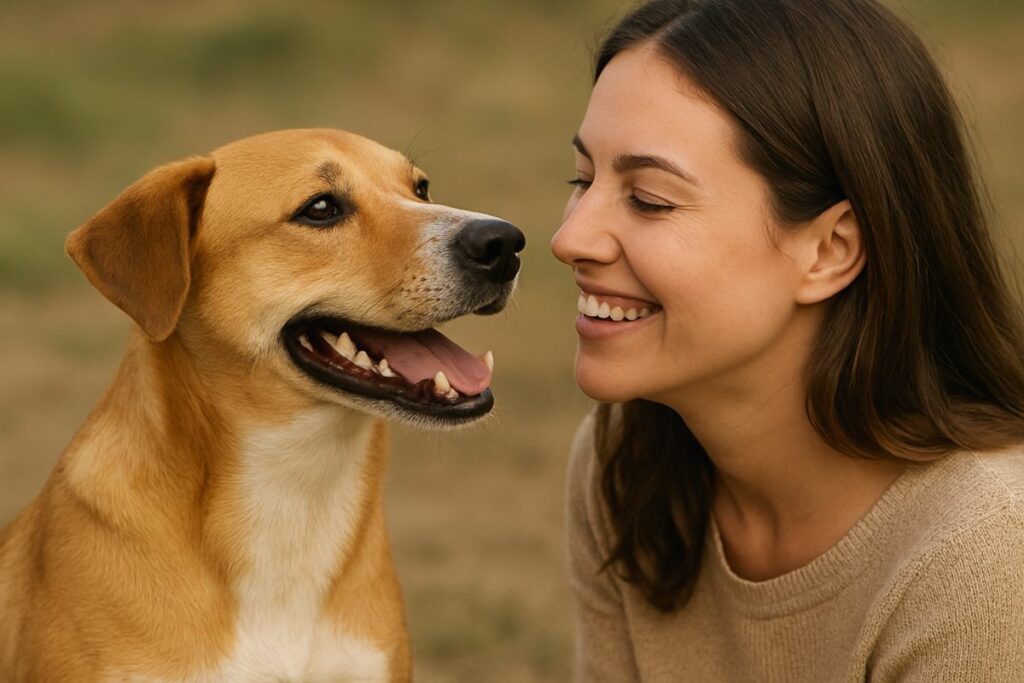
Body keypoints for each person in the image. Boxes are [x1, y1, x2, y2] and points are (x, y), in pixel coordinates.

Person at [550, 0, 1024, 680]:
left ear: (830, 249)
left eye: (650, 199)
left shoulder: (987, 558)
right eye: (583, 179)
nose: (569, 239)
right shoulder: (625, 464)